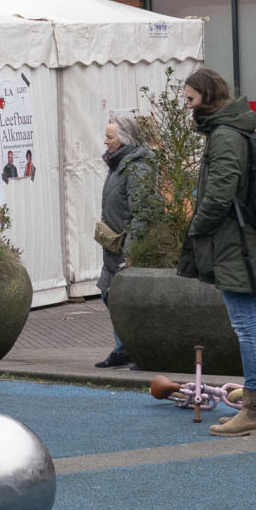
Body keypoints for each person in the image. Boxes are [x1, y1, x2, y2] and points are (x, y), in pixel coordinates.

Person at [180, 69, 256, 436]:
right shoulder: (233, 127)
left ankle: (253, 409)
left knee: (246, 323)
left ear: (205, 95)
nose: (186, 105)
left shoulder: (224, 134)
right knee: (252, 321)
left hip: (233, 240)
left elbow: (220, 191)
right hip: (240, 237)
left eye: (189, 98)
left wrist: (196, 226)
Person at [95, 113, 149, 369]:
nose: (105, 141)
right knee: (107, 293)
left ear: (124, 139)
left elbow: (143, 210)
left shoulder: (136, 167)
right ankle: (124, 348)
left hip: (125, 249)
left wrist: (131, 249)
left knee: (117, 298)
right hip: (112, 247)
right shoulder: (117, 163)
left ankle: (130, 349)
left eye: (109, 136)